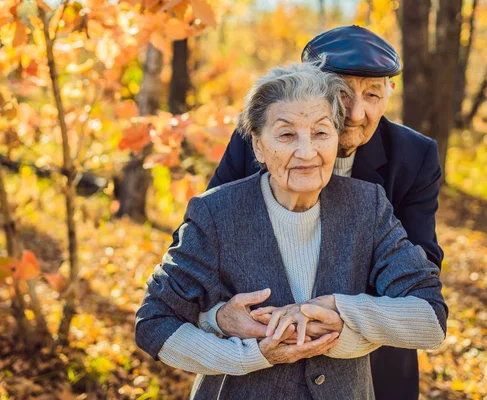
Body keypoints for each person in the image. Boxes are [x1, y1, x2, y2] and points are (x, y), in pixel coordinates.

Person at [135, 62, 447, 400]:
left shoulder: (368, 206)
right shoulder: (215, 213)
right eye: (286, 134)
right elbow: (154, 322)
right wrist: (248, 354)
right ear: (257, 146)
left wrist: (342, 313)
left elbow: (430, 317)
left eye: (320, 133)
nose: (307, 152)